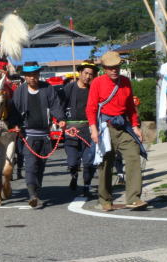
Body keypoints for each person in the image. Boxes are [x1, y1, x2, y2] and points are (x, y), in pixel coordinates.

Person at [86, 51, 147, 211]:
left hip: (123, 126)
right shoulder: (97, 83)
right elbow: (91, 108)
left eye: (117, 67)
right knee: (106, 163)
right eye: (110, 67)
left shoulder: (126, 81)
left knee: (134, 155)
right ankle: (105, 200)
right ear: (104, 68)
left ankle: (134, 198)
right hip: (105, 127)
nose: (114, 70)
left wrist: (135, 126)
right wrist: (93, 129)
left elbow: (130, 108)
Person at [12, 61, 66, 207]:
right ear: (25, 77)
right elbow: (14, 111)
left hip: (44, 135)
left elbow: (55, 105)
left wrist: (60, 119)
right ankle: (32, 195)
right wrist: (15, 125)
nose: (32, 78)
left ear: (38, 74)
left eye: (35, 74)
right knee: (30, 165)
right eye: (29, 75)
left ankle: (37, 189)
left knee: (40, 165)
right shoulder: (19, 92)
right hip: (28, 135)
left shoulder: (47, 88)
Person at [63, 60, 99, 197]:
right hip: (71, 129)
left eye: (91, 74)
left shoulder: (94, 89)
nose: (88, 77)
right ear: (79, 73)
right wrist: (60, 120)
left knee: (89, 161)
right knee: (72, 161)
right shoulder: (69, 88)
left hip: (89, 129)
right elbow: (59, 105)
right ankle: (73, 175)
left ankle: (86, 186)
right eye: (85, 73)